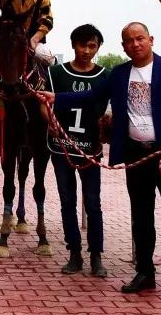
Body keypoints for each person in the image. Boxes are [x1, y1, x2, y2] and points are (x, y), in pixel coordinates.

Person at [40, 22, 161, 302]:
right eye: (129, 41)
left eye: (140, 38)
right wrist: (58, 98)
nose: (135, 44)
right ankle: (145, 273)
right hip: (136, 157)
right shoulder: (120, 74)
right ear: (123, 46)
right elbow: (92, 96)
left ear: (150, 39)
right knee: (141, 217)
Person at [43, 24, 111, 278]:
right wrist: (50, 121)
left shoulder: (105, 76)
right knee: (67, 201)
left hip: (90, 149)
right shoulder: (55, 73)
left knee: (93, 202)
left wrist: (108, 126)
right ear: (73, 45)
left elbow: (111, 110)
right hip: (62, 148)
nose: (87, 50)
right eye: (82, 45)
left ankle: (96, 255)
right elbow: (43, 102)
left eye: (92, 46)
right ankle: (74, 253)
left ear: (98, 47)